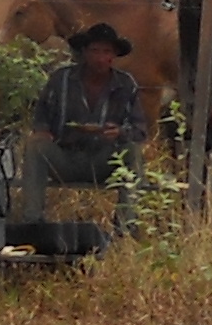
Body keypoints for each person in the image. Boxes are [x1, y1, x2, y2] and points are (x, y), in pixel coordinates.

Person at [29, 21, 148, 221]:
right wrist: (42, 132)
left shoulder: (126, 84)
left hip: (105, 163)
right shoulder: (61, 79)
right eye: (95, 51)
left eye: (106, 51)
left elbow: (140, 130)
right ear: (84, 52)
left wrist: (120, 132)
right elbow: (41, 116)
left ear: (114, 55)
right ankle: (32, 221)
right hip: (65, 158)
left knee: (133, 152)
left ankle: (127, 225)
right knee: (34, 147)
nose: (100, 58)